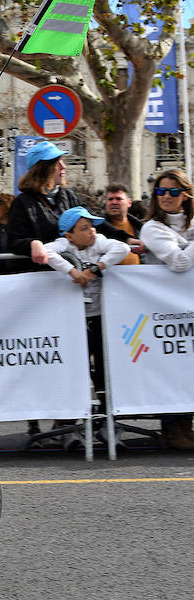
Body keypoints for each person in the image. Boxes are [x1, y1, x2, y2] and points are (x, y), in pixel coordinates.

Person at [43, 206, 131, 450]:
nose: (91, 231)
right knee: (74, 370)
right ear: (69, 235)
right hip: (72, 319)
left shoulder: (99, 242)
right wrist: (72, 271)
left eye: (92, 226)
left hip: (99, 316)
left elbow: (122, 247)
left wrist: (94, 269)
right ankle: (70, 427)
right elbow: (46, 252)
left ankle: (107, 424)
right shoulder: (64, 245)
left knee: (103, 371)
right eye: (84, 228)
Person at [6, 141, 137, 268]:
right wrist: (33, 244)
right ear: (43, 169)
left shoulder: (69, 196)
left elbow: (95, 221)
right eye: (58, 163)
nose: (64, 167)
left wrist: (125, 238)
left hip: (77, 273)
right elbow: (13, 241)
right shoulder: (22, 203)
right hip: (41, 276)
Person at [138, 169, 194, 450]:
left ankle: (188, 424)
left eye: (173, 192)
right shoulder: (152, 227)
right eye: (161, 192)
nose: (166, 197)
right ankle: (173, 427)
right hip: (163, 310)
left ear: (185, 194)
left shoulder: (190, 223)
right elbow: (179, 263)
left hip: (189, 307)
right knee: (171, 366)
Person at [103, 183, 145, 265]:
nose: (114, 202)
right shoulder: (98, 228)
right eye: (110, 199)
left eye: (119, 199)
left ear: (129, 203)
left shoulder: (140, 228)